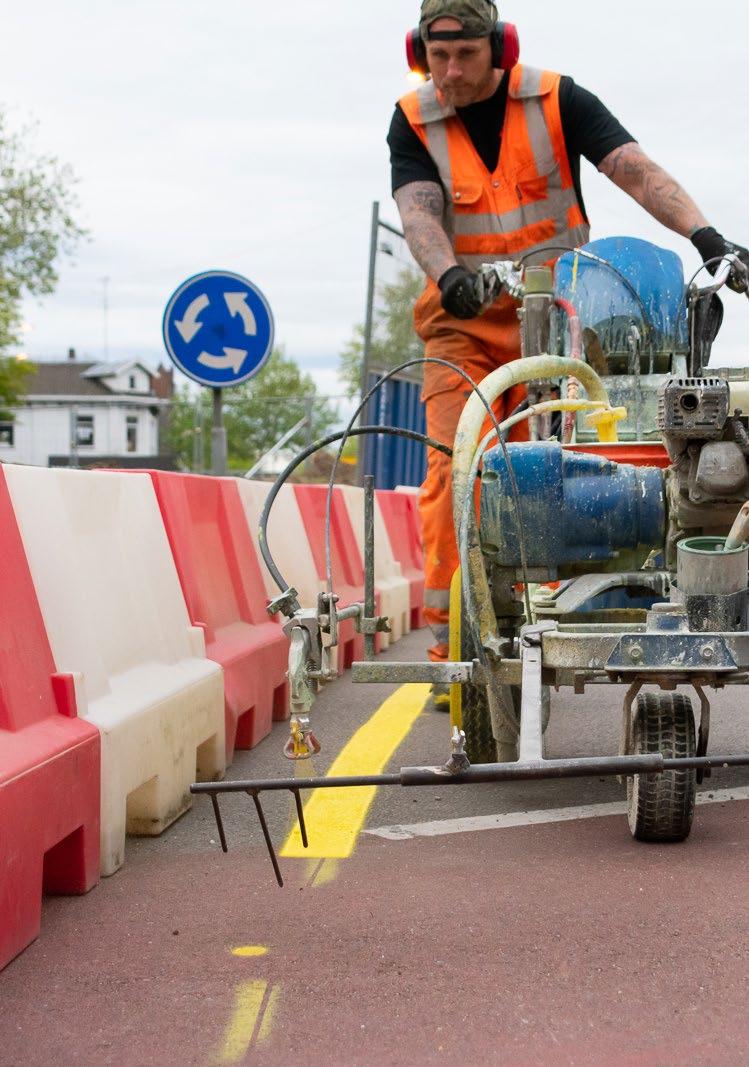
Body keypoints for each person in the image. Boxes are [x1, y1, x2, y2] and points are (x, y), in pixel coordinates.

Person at [388, 0, 749, 709]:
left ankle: (556, 597)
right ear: (419, 51)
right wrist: (448, 274)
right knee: (453, 464)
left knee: (551, 466)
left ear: (501, 47)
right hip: (461, 321)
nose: (451, 71)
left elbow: (632, 169)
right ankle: (455, 637)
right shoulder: (412, 117)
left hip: (557, 322)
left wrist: (706, 237)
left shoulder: (556, 100)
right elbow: (418, 211)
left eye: (465, 55)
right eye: (438, 56)